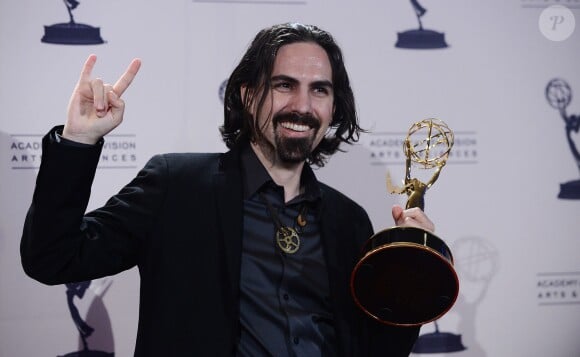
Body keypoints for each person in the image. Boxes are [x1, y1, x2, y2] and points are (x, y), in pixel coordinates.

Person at [21, 22, 436, 356]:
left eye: (320, 90)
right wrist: (77, 143)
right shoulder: (177, 187)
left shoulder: (349, 220)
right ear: (248, 92)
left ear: (333, 107)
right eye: (283, 85)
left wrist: (412, 274)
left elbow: (375, 348)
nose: (303, 106)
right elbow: (53, 258)